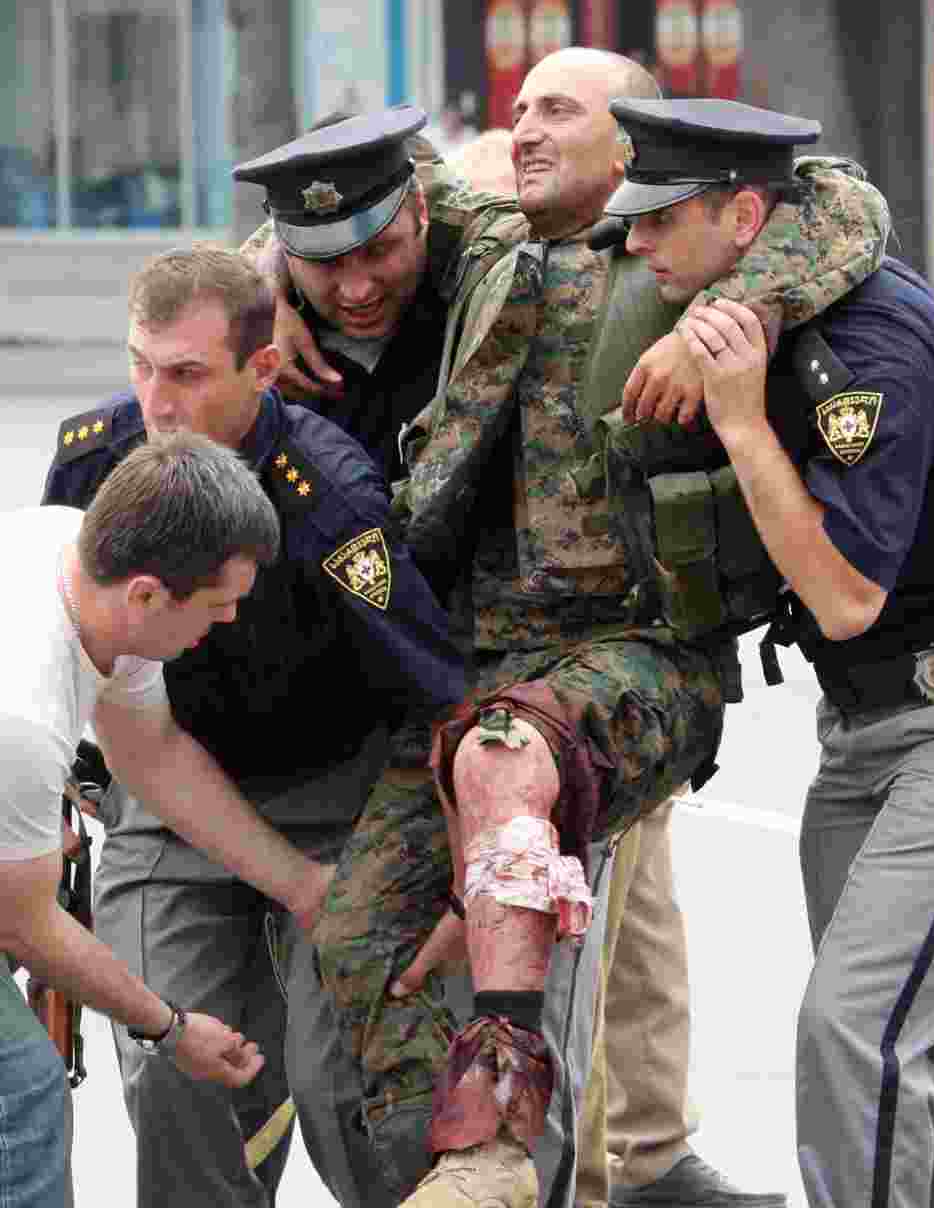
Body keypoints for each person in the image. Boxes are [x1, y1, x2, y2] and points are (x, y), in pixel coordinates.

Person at [298, 49, 890, 1208]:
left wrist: (732, 311)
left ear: (633, 150)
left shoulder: (687, 254)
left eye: (556, 111)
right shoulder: (483, 229)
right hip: (479, 668)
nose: (521, 128)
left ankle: (513, 1116)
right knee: (360, 926)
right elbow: (360, 206)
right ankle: (462, 1166)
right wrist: (273, 262)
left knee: (525, 791)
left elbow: (847, 202)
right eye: (517, 108)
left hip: (634, 658)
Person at [607, 95, 934, 1208]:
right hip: (864, 735)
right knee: (904, 1044)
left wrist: (741, 419)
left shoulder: (869, 345)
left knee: (855, 1031)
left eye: (658, 220)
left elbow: (842, 595)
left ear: (744, 216)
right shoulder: (768, 306)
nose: (635, 243)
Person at [41, 244, 465, 1208]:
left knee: (344, 1088)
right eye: (141, 365)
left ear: (261, 367)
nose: (156, 400)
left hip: (339, 799)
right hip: (165, 799)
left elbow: (436, 697)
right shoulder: (93, 460)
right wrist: (65, 799)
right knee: (171, 1066)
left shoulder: (332, 497)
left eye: (187, 374)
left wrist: (462, 869)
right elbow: (69, 653)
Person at [1, 431, 285, 1208]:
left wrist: (305, 887)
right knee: (19, 1093)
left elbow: (150, 754)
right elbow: (27, 928)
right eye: (219, 603)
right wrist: (169, 1026)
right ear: (149, 596)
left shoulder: (73, 549)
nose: (227, 622)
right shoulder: (21, 713)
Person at [234, 106, 528, 483]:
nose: (357, 291)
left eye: (378, 251)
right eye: (326, 262)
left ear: (421, 209)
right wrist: (262, 301)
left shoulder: (475, 282)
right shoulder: (256, 340)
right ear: (287, 251)